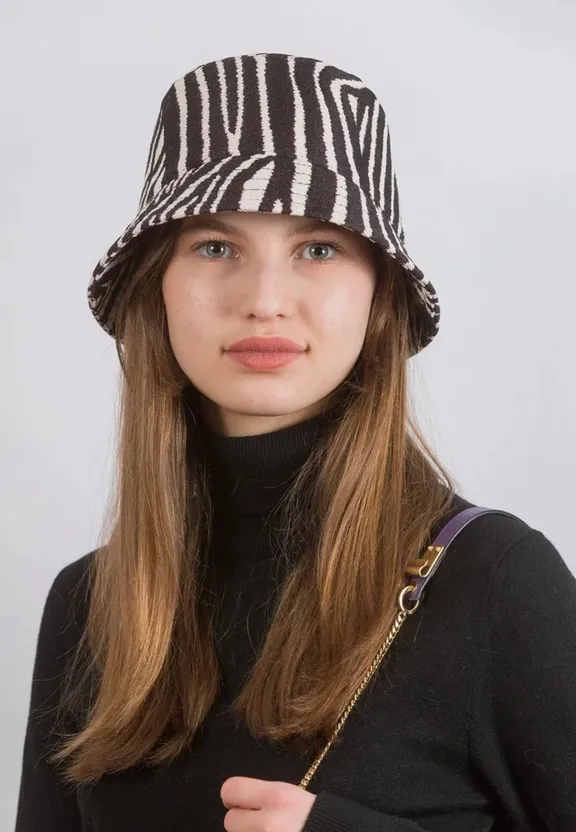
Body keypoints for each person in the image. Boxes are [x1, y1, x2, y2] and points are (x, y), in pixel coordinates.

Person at [14, 53, 576, 832]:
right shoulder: (89, 607)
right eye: (215, 247)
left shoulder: (497, 583)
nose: (264, 301)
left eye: (318, 248)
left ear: (379, 295)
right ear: (157, 288)